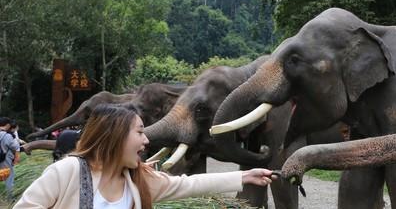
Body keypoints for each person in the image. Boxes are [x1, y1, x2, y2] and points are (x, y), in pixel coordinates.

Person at [13, 104, 275, 208]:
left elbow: (188, 184)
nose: (146, 139)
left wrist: (244, 175)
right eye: (139, 132)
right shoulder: (67, 172)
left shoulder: (139, 181)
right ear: (114, 136)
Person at [0, 117, 20, 201]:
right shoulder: (7, 136)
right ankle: (9, 198)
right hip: (4, 160)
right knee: (8, 178)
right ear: (7, 125)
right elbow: (16, 148)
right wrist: (16, 159)